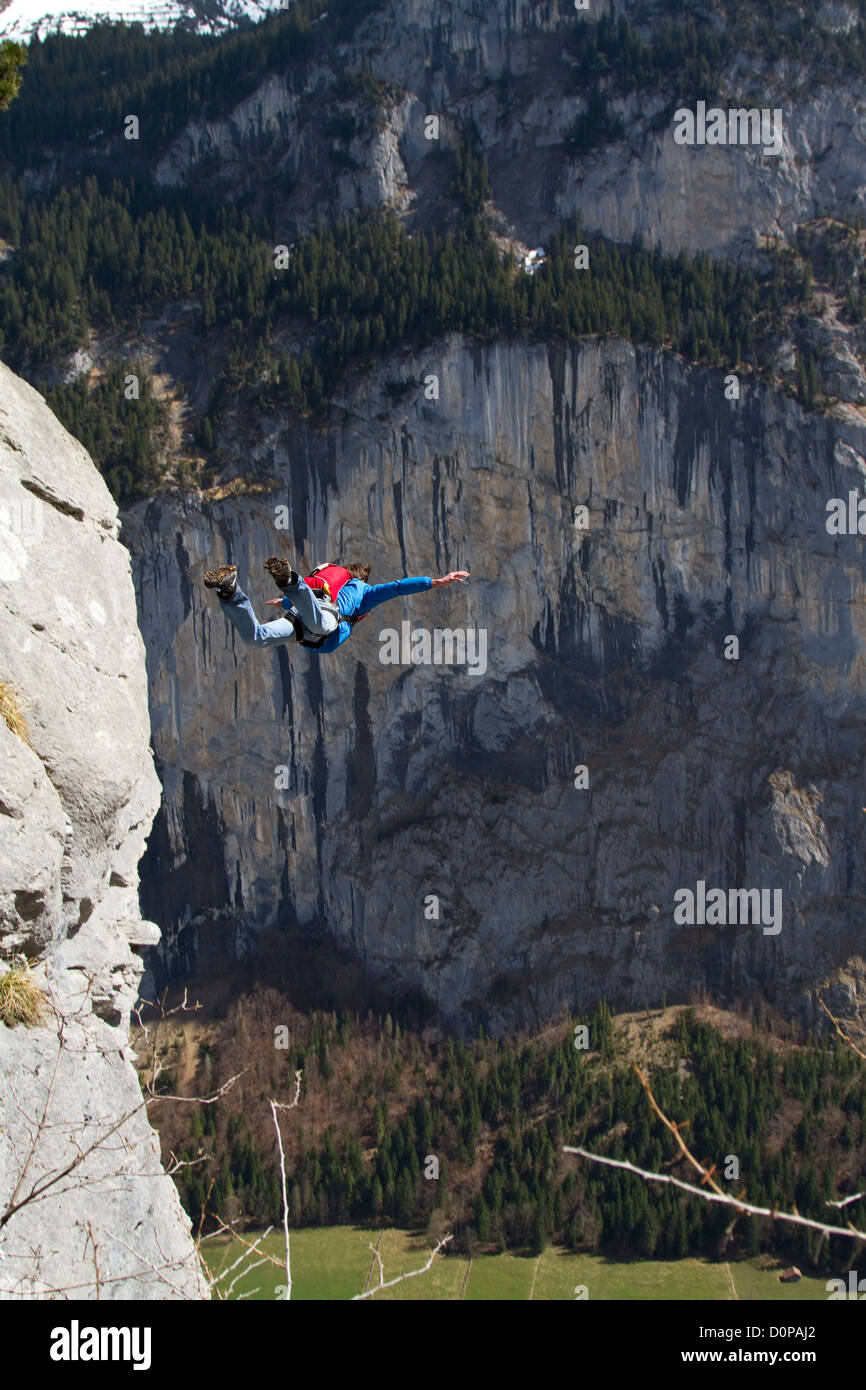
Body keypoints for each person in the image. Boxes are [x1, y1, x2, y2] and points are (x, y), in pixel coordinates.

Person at [203, 558, 469, 654]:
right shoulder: (365, 591)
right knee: (320, 621)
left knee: (255, 637)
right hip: (324, 621)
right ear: (361, 578)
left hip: (300, 623)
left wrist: (284, 602)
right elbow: (397, 587)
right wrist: (434, 581)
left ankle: (229, 590)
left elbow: (312, 598)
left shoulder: (332, 580)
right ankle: (290, 580)